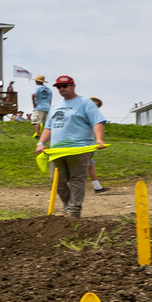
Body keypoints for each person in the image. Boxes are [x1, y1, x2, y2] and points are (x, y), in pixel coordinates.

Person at [35, 74, 106, 218]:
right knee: (56, 180)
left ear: (73, 86)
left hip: (79, 148)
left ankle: (73, 210)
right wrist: (41, 143)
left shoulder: (86, 103)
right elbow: (48, 127)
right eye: (59, 87)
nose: (62, 89)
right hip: (56, 151)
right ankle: (68, 205)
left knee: (76, 179)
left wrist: (99, 139)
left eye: (65, 86)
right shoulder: (55, 106)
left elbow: (97, 122)